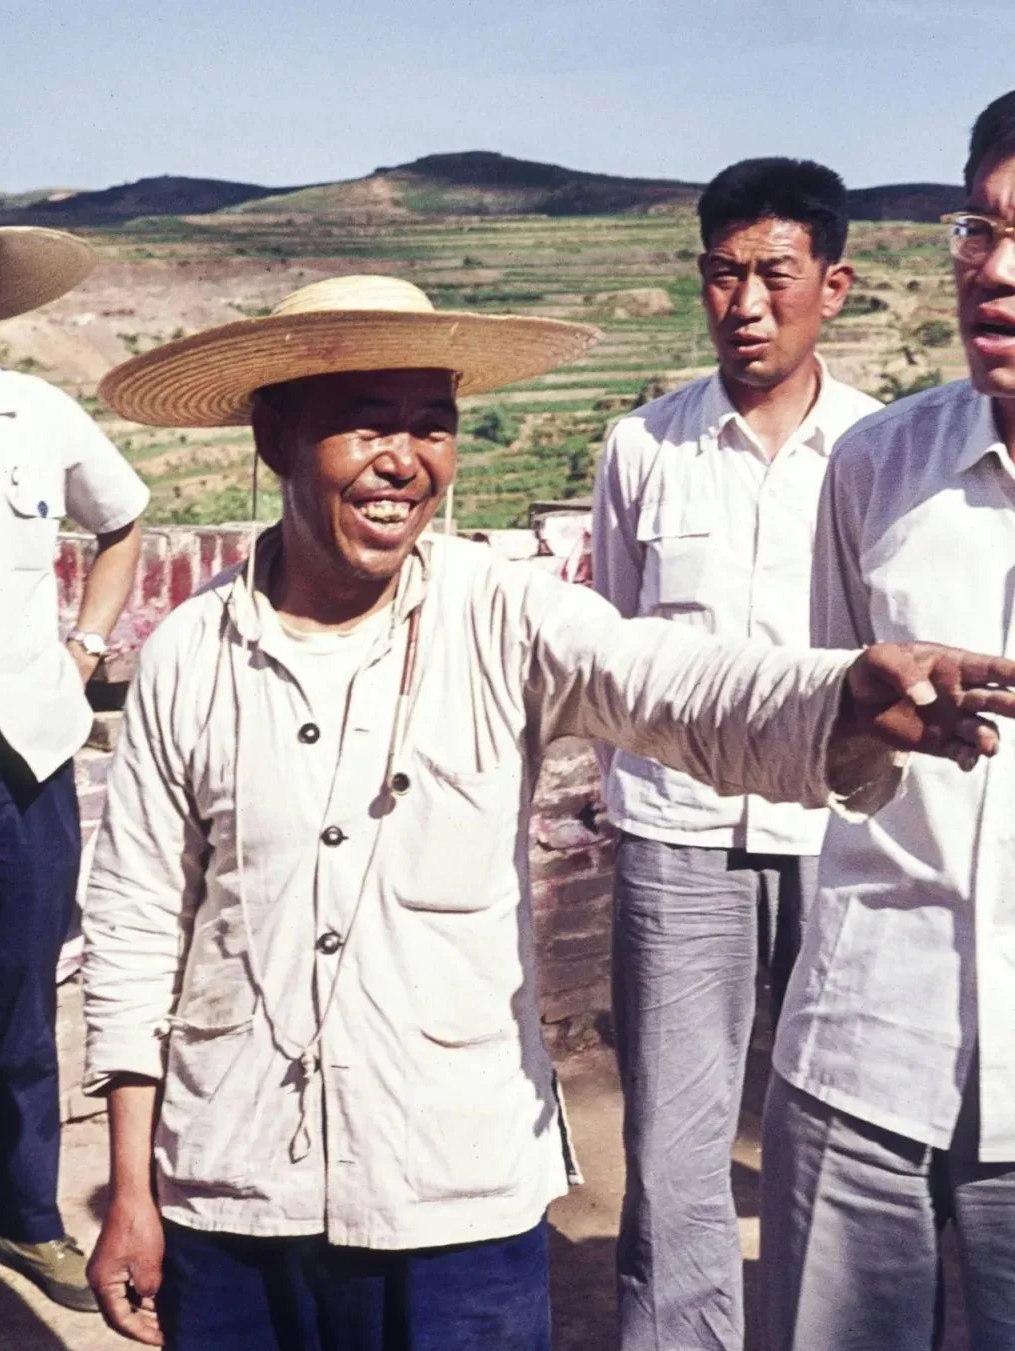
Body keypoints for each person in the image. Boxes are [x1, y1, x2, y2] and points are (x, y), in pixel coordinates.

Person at [80, 274, 1013, 1351]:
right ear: (276, 436)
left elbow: (670, 680)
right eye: (367, 424)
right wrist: (132, 1189)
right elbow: (137, 924)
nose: (405, 461)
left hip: (454, 1188)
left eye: (433, 425)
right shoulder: (188, 658)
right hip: (232, 1185)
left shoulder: (501, 612)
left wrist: (837, 693)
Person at [590, 157, 880, 1350]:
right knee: (673, 1143)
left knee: (842, 1130)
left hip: (844, 832)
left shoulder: (881, 450)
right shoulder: (642, 447)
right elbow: (613, 648)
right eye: (723, 274)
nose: (747, 304)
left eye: (775, 274)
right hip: (678, 832)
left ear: (834, 285)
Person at [761, 91, 1015, 1351]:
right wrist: (869, 729)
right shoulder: (878, 466)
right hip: (865, 1049)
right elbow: (833, 734)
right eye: (980, 229)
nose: (996, 272)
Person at [0, 181, 149, 1349]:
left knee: (24, 1004)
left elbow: (123, 522)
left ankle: (24, 1219)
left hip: (27, 752)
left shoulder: (41, 415)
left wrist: (83, 648)